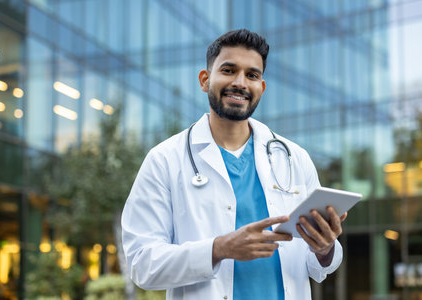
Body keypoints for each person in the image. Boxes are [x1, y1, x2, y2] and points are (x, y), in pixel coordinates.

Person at [121, 29, 347, 300]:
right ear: (205, 80)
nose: (240, 82)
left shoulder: (293, 158)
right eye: (228, 70)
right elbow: (141, 263)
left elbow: (316, 267)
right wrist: (219, 248)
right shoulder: (164, 160)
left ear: (261, 88)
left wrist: (324, 249)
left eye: (252, 75)